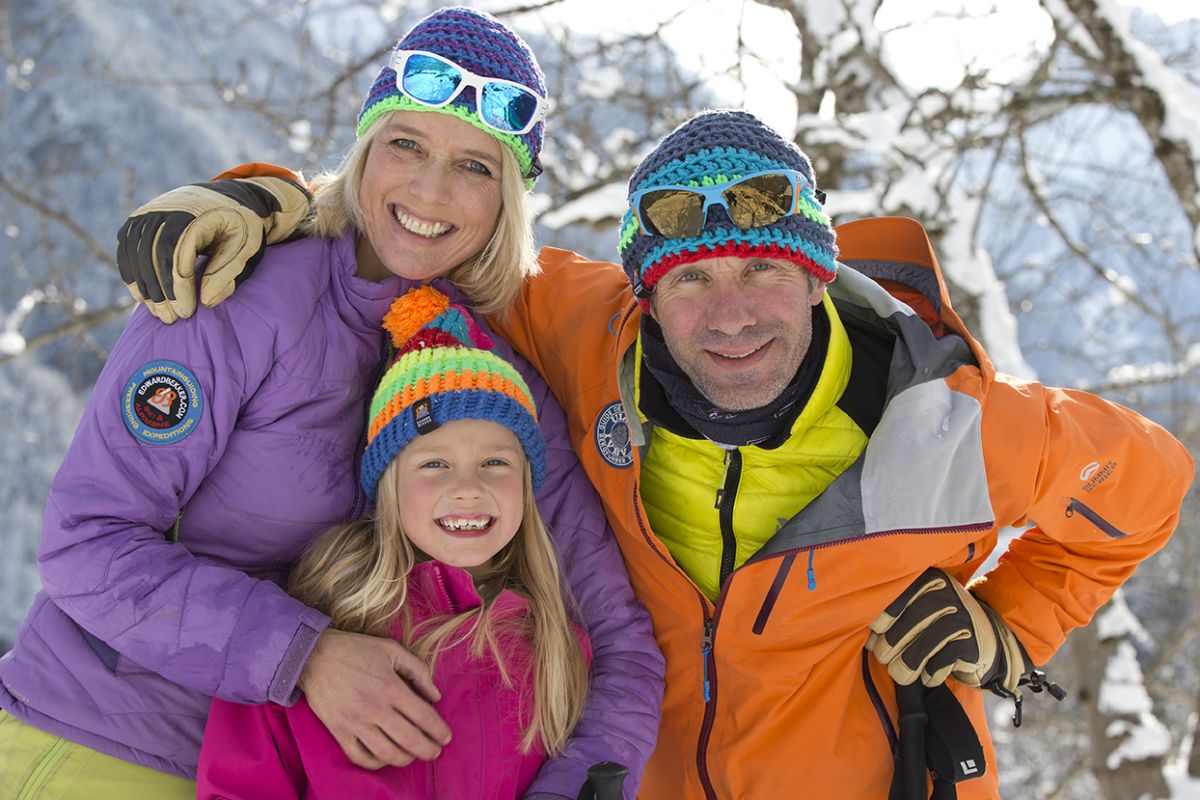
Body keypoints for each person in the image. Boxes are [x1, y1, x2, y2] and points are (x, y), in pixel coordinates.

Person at [110, 110, 1193, 799]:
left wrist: (1009, 625)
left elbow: (1152, 488)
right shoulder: (588, 335)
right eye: (689, 279)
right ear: (645, 290)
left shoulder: (959, 422)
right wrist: (264, 197)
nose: (730, 316)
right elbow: (420, 226)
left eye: (764, 270)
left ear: (819, 273)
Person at [0, 8, 663, 800]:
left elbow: (620, 637)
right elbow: (87, 543)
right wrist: (303, 655)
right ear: (365, 152)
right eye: (406, 144)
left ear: (506, 201)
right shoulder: (238, 296)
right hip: (104, 739)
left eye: (476, 167)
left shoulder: (488, 379)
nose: (429, 189)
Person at [197, 286, 592, 799]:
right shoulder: (315, 624)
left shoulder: (557, 648)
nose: (468, 487)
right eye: (434, 464)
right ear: (389, 484)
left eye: (496, 463)